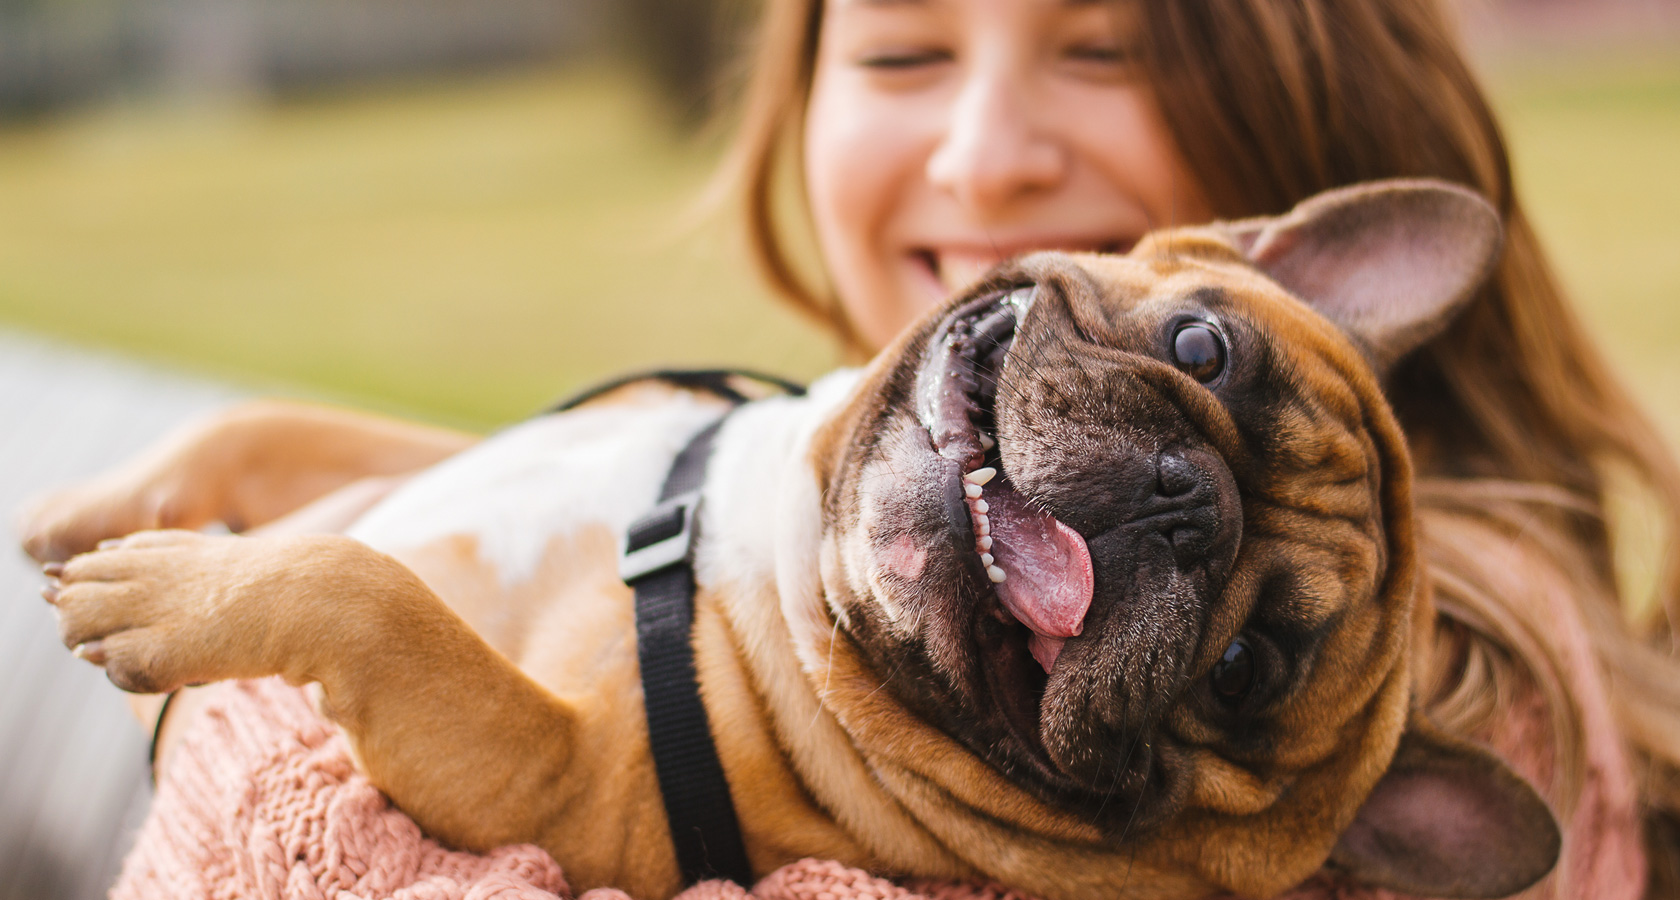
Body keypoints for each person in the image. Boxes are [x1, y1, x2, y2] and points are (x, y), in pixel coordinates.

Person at [25, 0, 1680, 896]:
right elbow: (550, 499)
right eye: (899, 52)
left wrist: (241, 699)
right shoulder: (844, 484)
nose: (982, 154)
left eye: (1249, 657)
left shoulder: (1489, 689)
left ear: (1300, 151)